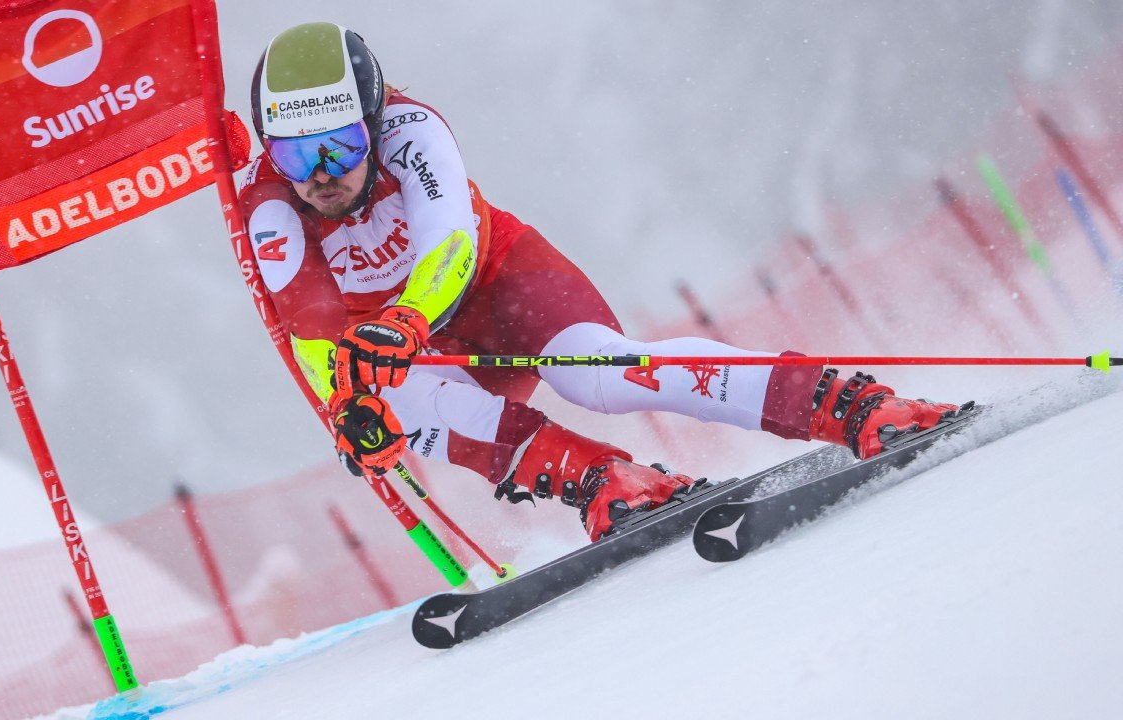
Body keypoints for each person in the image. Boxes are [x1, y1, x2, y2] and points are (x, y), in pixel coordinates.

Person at [239, 22, 962, 541]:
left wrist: (405, 319)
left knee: (601, 377)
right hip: (415, 348)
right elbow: (311, 328)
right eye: (297, 156)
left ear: (374, 120)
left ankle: (849, 404)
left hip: (496, 285)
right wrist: (349, 404)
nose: (323, 174)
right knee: (404, 407)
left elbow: (449, 243)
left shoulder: (412, 133)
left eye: (342, 144)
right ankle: (607, 482)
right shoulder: (270, 208)